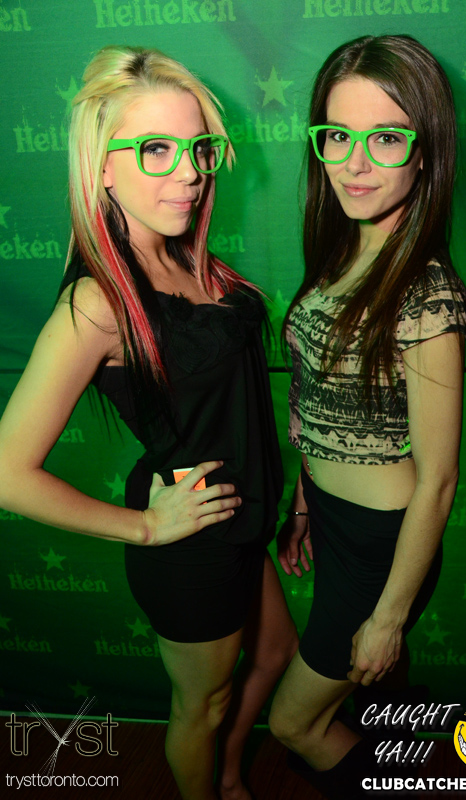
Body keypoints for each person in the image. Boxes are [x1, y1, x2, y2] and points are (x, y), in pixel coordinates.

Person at [0, 46, 298, 800]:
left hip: (242, 518)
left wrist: (289, 501)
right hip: (191, 545)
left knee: (273, 657)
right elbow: (6, 473)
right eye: (156, 150)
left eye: (198, 149)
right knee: (203, 705)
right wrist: (144, 527)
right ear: (102, 167)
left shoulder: (194, 264)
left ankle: (227, 776)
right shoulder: (98, 302)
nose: (190, 173)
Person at [269, 34, 466, 798]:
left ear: (426, 153)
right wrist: (302, 501)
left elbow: (439, 480)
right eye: (336, 136)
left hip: (384, 546)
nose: (353, 164)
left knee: (294, 726)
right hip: (332, 517)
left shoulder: (425, 295)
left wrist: (387, 617)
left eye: (384, 138)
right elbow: (317, 396)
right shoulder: (341, 249)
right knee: (372, 704)